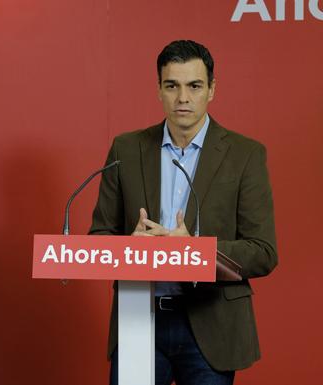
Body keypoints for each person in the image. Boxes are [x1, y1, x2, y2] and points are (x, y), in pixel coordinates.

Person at [89, 40, 277, 385]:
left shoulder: (245, 154)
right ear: (159, 89)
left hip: (211, 323)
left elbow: (263, 252)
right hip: (138, 322)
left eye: (194, 86)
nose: (183, 98)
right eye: (171, 85)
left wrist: (195, 249)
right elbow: (98, 239)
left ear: (212, 89)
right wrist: (129, 247)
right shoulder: (126, 149)